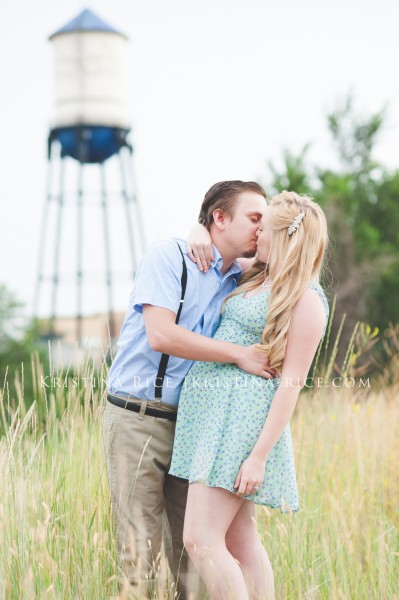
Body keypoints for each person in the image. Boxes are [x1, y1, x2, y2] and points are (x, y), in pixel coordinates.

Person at [104, 181, 276, 599]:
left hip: (196, 428)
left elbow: (295, 252)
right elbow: (161, 334)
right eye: (255, 219)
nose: (261, 228)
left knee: (194, 555)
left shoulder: (241, 276)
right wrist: (239, 354)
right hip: (137, 418)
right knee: (138, 551)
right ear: (220, 218)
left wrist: (202, 230)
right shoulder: (168, 256)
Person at [169, 191, 330, 600]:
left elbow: (291, 384)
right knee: (240, 543)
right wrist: (197, 229)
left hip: (241, 427)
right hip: (213, 420)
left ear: (284, 236)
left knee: (200, 540)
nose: (256, 232)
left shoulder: (306, 299)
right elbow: (212, 250)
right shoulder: (256, 274)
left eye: (265, 226)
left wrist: (258, 456)